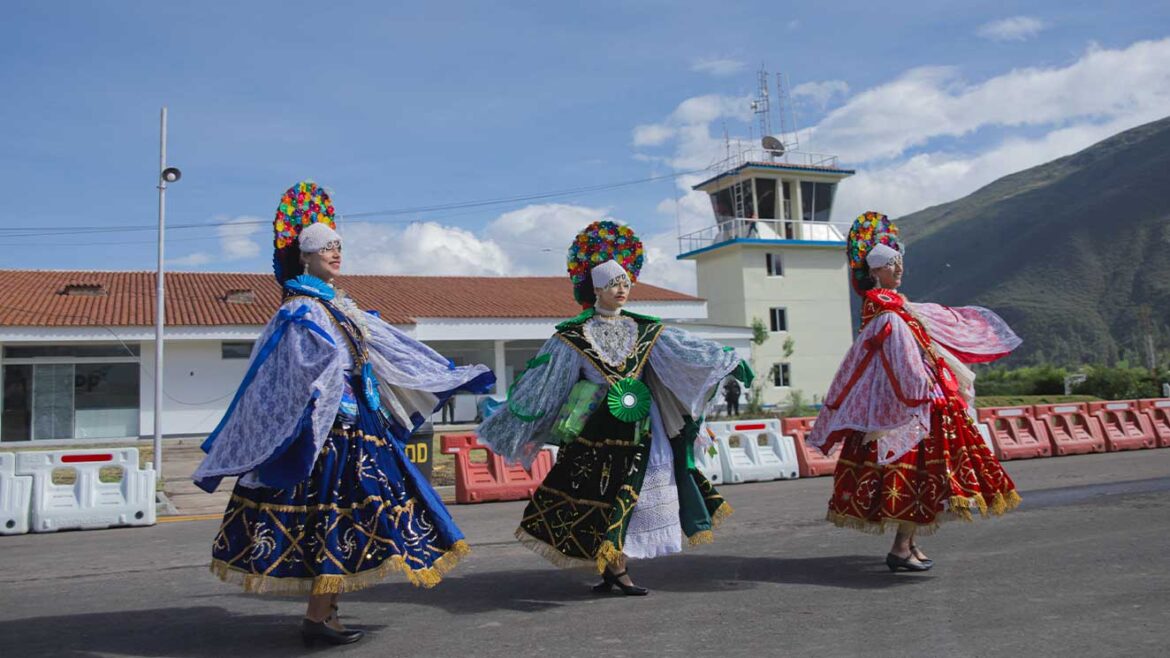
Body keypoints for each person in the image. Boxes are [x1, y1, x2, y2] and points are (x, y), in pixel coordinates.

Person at [192, 181, 494, 646]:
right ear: (304, 257)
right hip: (325, 434)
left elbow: (393, 348)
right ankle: (320, 616)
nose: (335, 252)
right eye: (324, 247)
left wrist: (446, 374)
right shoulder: (300, 309)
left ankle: (324, 613)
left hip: (357, 427)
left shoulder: (341, 307)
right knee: (329, 520)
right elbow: (285, 372)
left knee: (355, 518)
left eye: (338, 245)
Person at [476, 220, 753, 594]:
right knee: (601, 497)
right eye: (612, 285)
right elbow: (546, 384)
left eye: (624, 283)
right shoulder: (572, 336)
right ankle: (614, 569)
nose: (621, 290)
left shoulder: (645, 328)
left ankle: (615, 568)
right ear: (596, 290)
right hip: (597, 430)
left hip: (643, 425)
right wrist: (509, 416)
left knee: (636, 495)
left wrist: (726, 360)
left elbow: (685, 352)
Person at [808, 212, 1022, 572]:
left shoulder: (895, 306)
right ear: (878, 271)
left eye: (900, 263)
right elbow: (901, 356)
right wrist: (921, 391)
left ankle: (907, 545)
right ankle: (901, 547)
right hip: (908, 406)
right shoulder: (886, 310)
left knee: (921, 477)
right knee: (917, 476)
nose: (900, 269)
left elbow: (918, 342)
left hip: (913, 401)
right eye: (894, 264)